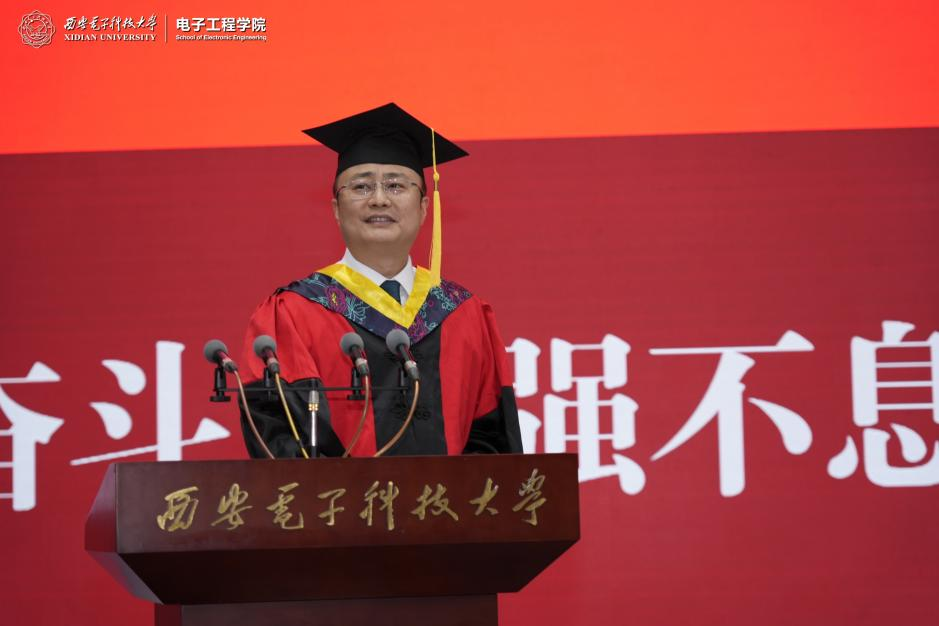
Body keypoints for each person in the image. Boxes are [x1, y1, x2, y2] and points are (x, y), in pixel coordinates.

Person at [238, 103, 522, 458]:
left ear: (423, 207)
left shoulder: (463, 313)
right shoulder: (293, 314)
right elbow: (281, 440)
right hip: (339, 496)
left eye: (396, 185)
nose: (379, 199)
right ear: (336, 209)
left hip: (450, 497)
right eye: (361, 186)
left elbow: (493, 444)